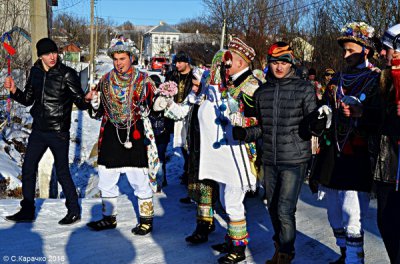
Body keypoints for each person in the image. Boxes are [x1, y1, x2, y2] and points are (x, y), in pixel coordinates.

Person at [234, 41, 318, 263]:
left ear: (291, 64)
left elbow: (313, 122)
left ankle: (285, 254)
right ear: (268, 64)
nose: (279, 67)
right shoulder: (262, 92)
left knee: (284, 209)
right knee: (271, 207)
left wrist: (317, 125)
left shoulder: (304, 88)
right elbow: (262, 126)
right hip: (270, 158)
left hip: (295, 158)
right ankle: (279, 247)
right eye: (274, 63)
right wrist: (245, 134)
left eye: (283, 62)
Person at [310, 22, 381, 264]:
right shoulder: (337, 78)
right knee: (333, 213)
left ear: (366, 50)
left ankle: (354, 259)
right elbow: (326, 105)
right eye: (344, 50)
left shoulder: (377, 79)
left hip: (358, 153)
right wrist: (324, 114)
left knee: (353, 212)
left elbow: (383, 116)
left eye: (350, 50)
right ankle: (344, 254)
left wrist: (363, 114)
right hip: (333, 152)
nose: (345, 55)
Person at [4, 38, 90, 225]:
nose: (52, 57)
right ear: (41, 56)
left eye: (54, 53)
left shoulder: (67, 74)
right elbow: (27, 99)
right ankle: (27, 209)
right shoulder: (35, 72)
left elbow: (81, 102)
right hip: (39, 130)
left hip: (58, 132)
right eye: (47, 54)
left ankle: (73, 210)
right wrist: (13, 90)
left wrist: (88, 98)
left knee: (62, 172)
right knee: (28, 168)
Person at [86, 39, 159, 235]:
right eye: (116, 59)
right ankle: (108, 218)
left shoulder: (144, 80)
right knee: (106, 177)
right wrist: (93, 103)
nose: (119, 63)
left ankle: (146, 220)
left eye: (123, 58)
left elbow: (156, 106)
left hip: (135, 132)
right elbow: (98, 110)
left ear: (131, 58)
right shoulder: (105, 80)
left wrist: (161, 102)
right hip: (111, 132)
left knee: (139, 178)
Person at [374, 24, 400, 263]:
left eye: (386, 48)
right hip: (387, 166)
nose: (381, 53)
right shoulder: (383, 82)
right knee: (386, 223)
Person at [164, 51, 195, 196]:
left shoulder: (194, 76)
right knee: (179, 142)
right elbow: (164, 88)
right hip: (173, 112)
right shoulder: (172, 75)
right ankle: (186, 169)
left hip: (189, 112)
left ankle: (189, 171)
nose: (177, 65)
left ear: (187, 63)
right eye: (175, 62)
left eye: (180, 62)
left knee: (188, 143)